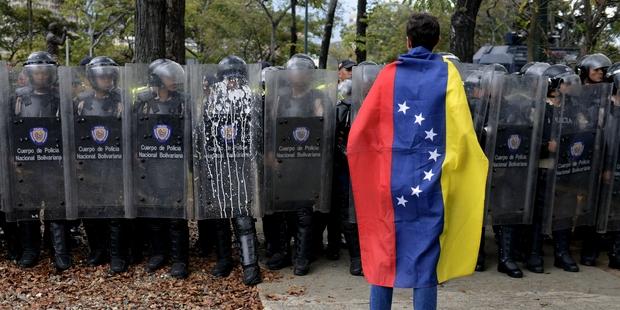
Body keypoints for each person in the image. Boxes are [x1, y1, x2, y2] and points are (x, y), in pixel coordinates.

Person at [347, 13, 487, 309]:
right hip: (430, 181)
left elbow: (360, 133)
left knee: (385, 256)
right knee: (425, 263)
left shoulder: (388, 74)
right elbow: (462, 133)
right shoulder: (448, 74)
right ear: (437, 42)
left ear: (407, 40)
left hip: (389, 183)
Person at [199, 56, 262, 286]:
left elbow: (258, 131)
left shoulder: (251, 98)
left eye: (235, 77)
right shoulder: (212, 98)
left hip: (242, 164)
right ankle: (224, 259)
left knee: (243, 217)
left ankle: (250, 264)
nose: (232, 82)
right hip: (217, 162)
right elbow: (203, 129)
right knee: (220, 215)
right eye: (228, 77)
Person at [13, 51, 72, 271]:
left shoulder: (61, 100)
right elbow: (11, 131)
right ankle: (30, 250)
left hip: (53, 161)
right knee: (29, 207)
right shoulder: (17, 99)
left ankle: (60, 251)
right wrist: (13, 158)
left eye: (44, 73)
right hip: (27, 162)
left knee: (57, 206)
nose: (41, 77)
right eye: (36, 73)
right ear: (29, 74)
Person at [134, 59, 189, 279]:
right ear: (157, 79)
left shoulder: (184, 102)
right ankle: (158, 253)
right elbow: (133, 130)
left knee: (176, 213)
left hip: (174, 164)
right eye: (168, 77)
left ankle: (180, 259)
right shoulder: (142, 102)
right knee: (154, 211)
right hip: (150, 164)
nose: (173, 80)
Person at [575, 53, 612, 267]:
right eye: (596, 69)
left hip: (603, 151)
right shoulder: (578, 95)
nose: (600, 73)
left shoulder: (608, 96)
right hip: (583, 151)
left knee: (598, 204)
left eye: (603, 71)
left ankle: (591, 250)